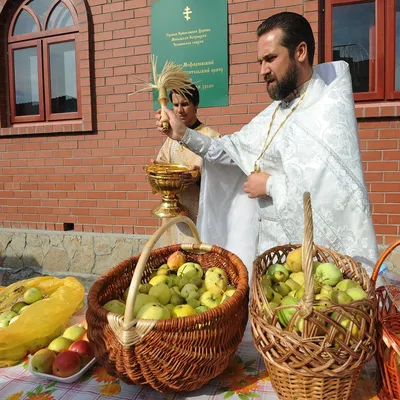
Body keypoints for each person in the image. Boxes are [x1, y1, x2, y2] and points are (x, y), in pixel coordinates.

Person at [155, 12, 379, 277]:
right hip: (266, 253)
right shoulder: (274, 113)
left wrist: (270, 185)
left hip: (306, 264)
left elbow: (334, 192)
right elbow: (228, 150)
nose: (262, 71)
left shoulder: (326, 112)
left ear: (300, 52)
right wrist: (182, 133)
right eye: (260, 61)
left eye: (270, 59)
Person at [154, 83, 219, 244]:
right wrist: (157, 169)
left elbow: (223, 178)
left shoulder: (211, 137)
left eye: (185, 104)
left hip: (199, 215)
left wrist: (198, 179)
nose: (179, 110)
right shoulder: (171, 138)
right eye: (175, 105)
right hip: (173, 216)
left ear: (195, 105)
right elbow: (163, 163)